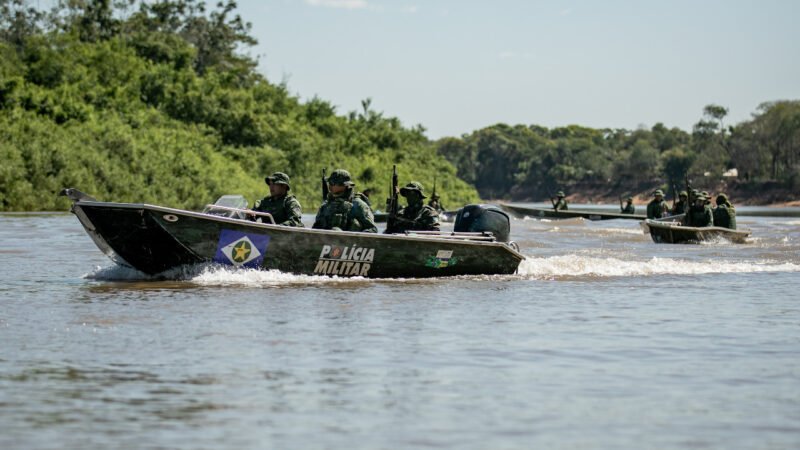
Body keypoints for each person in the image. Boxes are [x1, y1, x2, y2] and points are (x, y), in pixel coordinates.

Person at [313, 169, 377, 233]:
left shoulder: (358, 205)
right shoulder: (325, 206)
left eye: (333, 183)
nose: (330, 186)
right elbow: (315, 230)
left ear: (344, 185)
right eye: (329, 183)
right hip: (326, 242)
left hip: (352, 242)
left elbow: (372, 230)